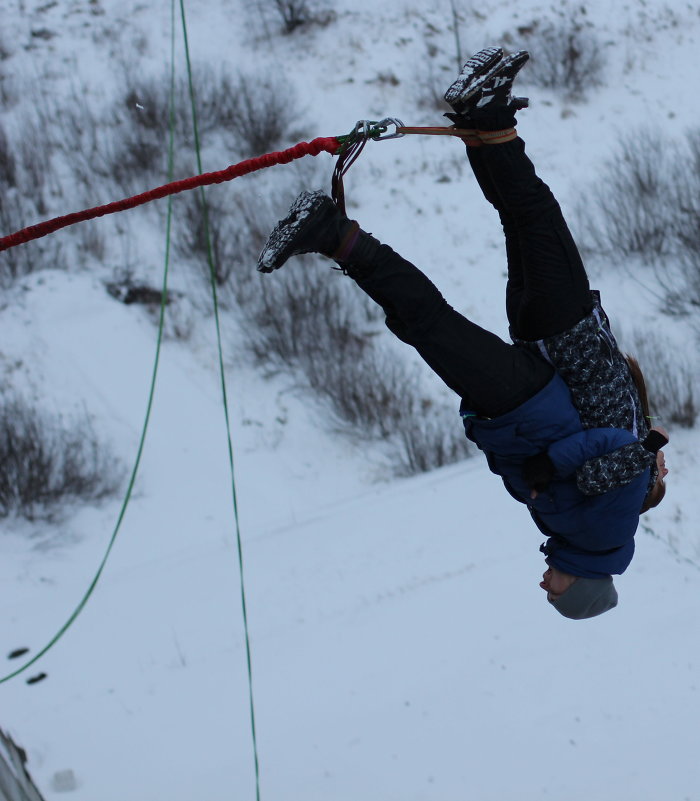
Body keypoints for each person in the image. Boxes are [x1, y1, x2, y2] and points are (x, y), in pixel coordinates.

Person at [255, 48, 669, 620]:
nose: (546, 586)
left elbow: (577, 466)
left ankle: (481, 122)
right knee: (512, 234)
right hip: (557, 349)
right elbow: (613, 459)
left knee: (512, 231)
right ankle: (480, 121)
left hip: (539, 363)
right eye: (557, 594)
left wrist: (522, 463)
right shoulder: (607, 531)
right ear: (582, 586)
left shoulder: (579, 532)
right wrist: (626, 455)